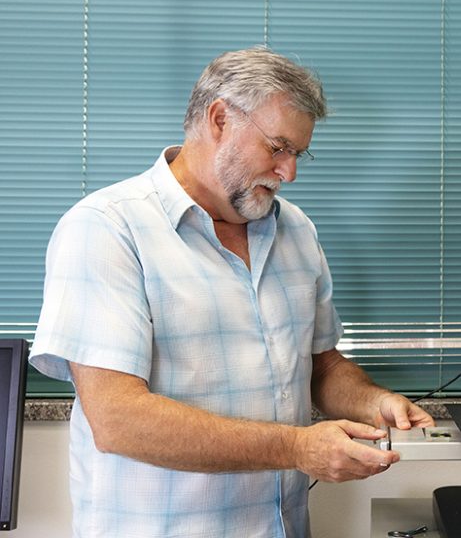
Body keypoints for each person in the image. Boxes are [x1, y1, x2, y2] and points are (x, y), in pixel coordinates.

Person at [29, 46, 434, 538]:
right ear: (219, 118)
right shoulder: (107, 229)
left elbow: (320, 366)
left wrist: (375, 400)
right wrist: (297, 448)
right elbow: (118, 419)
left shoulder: (296, 231)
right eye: (277, 147)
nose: (290, 173)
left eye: (298, 154)